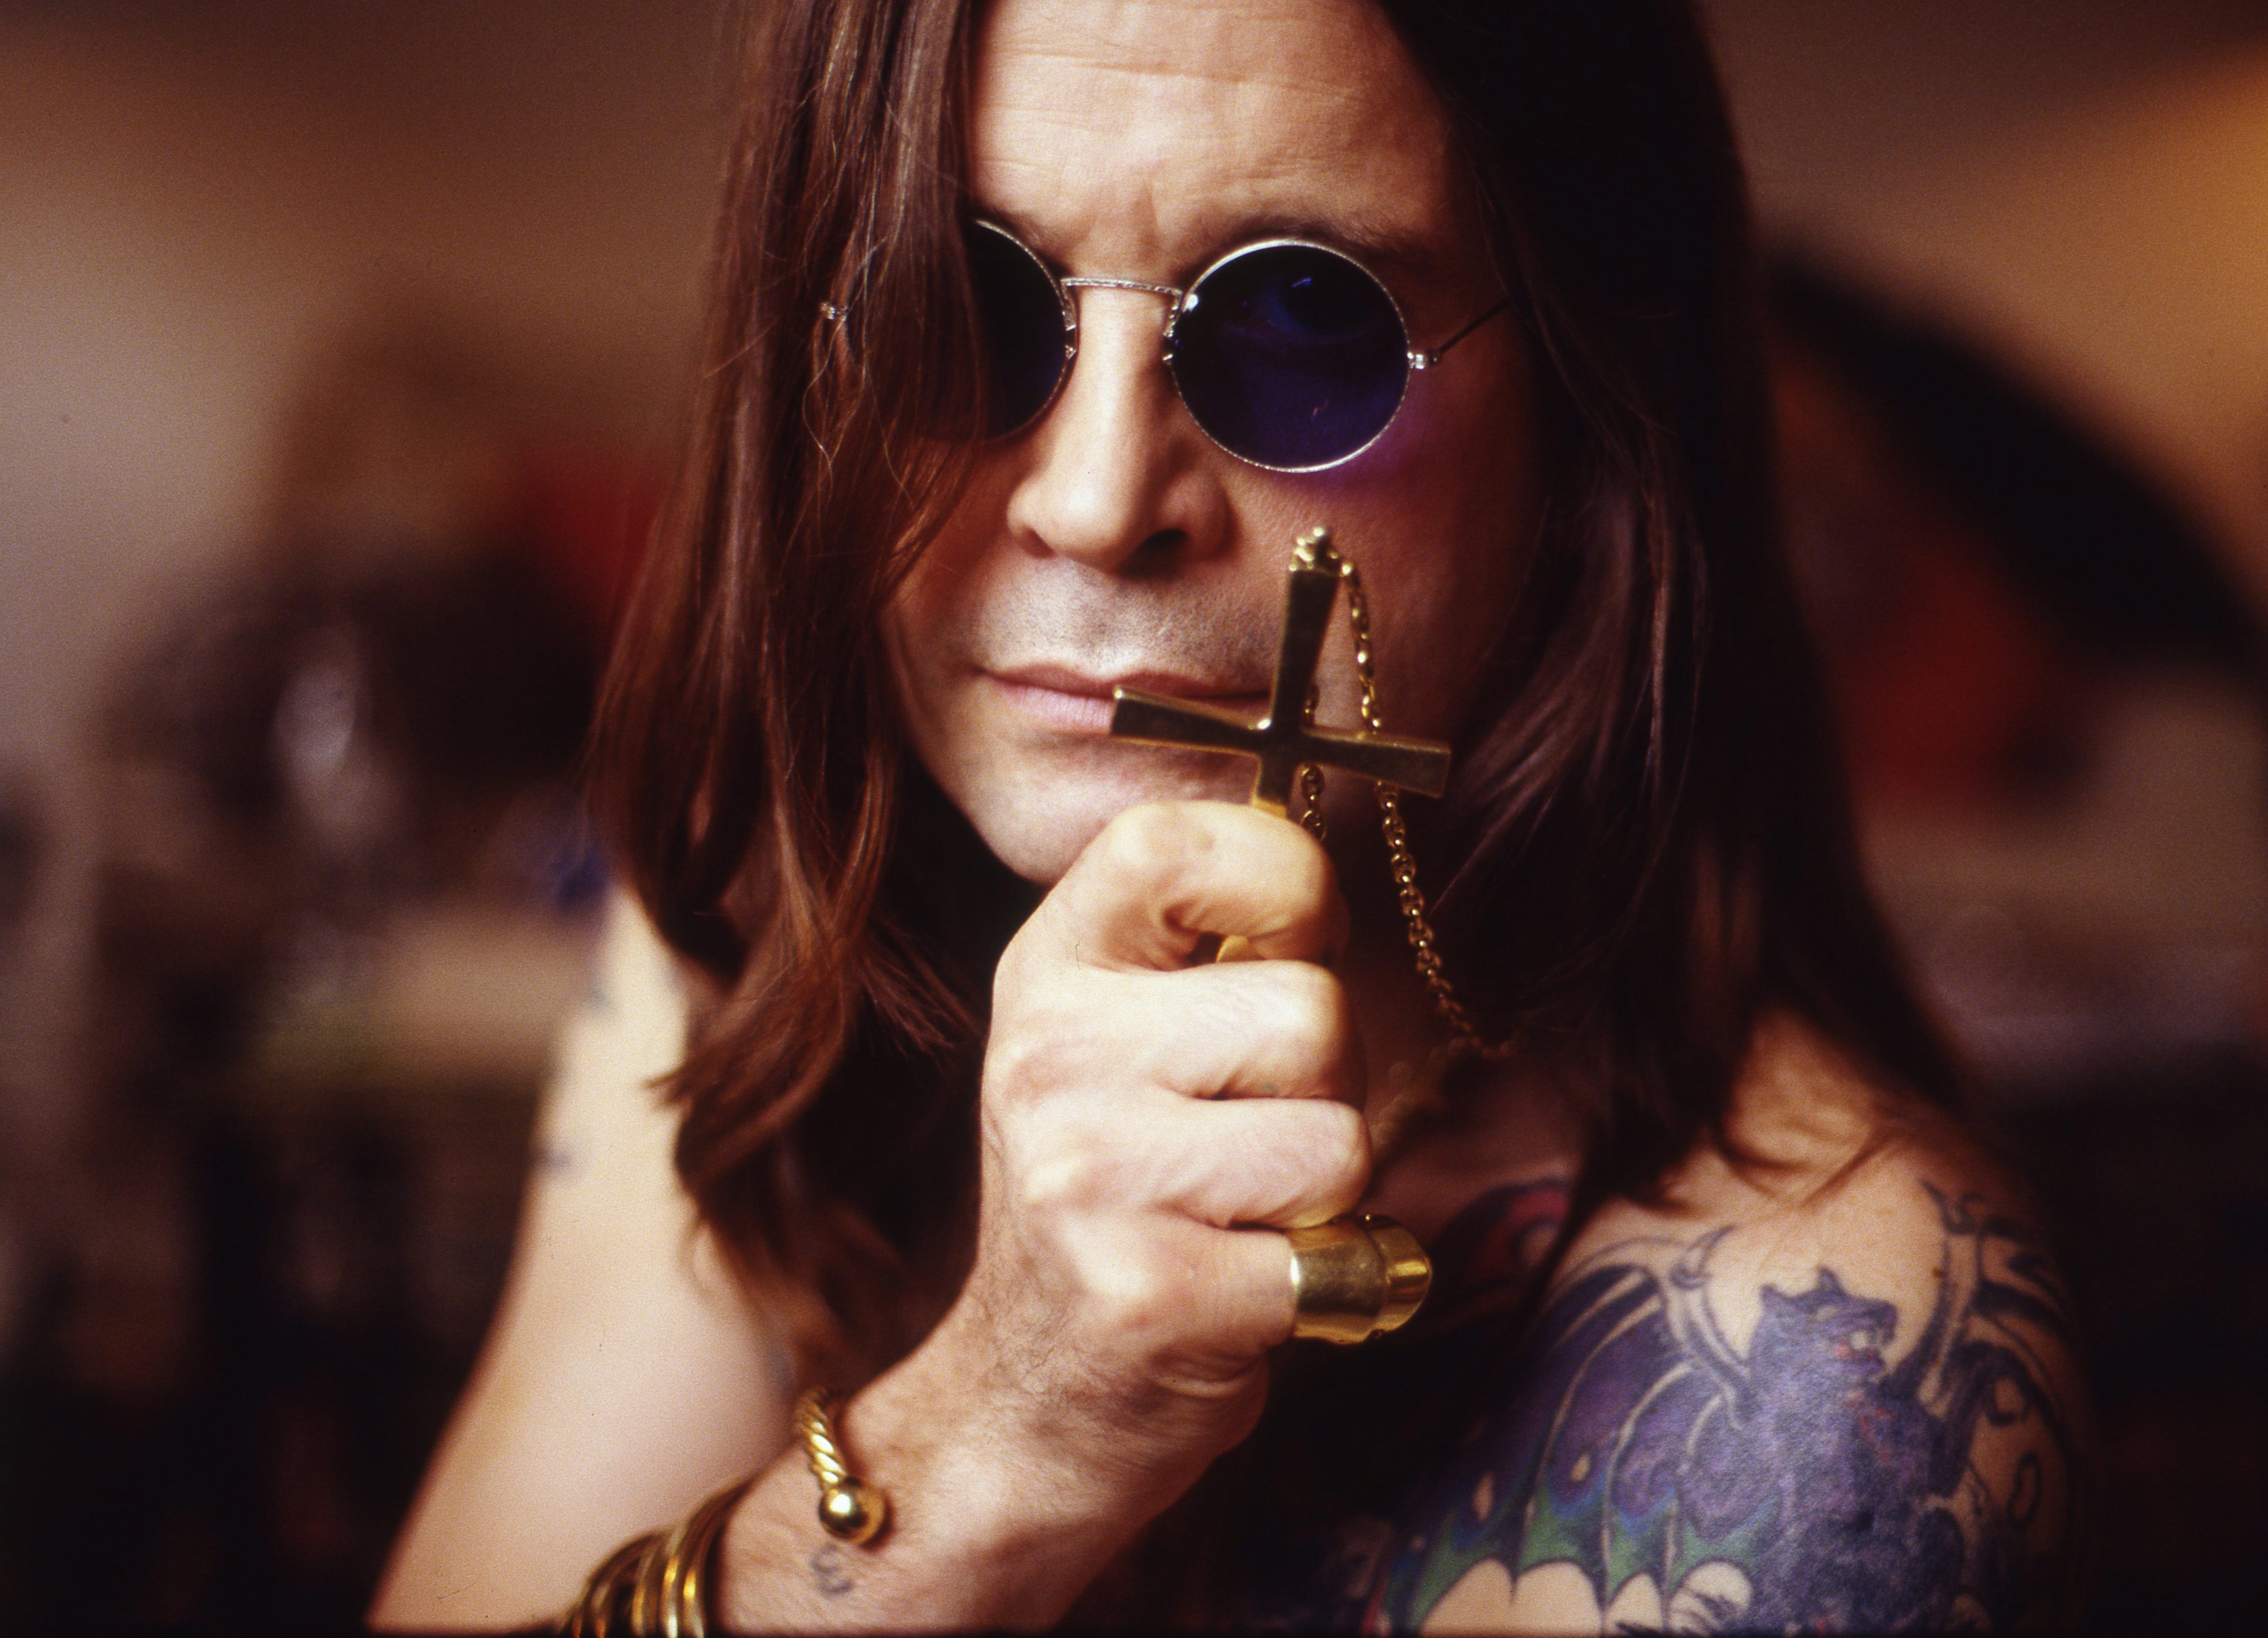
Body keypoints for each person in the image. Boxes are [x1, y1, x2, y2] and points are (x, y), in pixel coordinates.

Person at [374, 0, 2087, 1629]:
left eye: (1303, 328)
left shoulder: (1824, 1362)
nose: (1096, 497)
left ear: (1591, 416)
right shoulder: (748, 908)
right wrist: (980, 1449)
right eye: (953, 306)